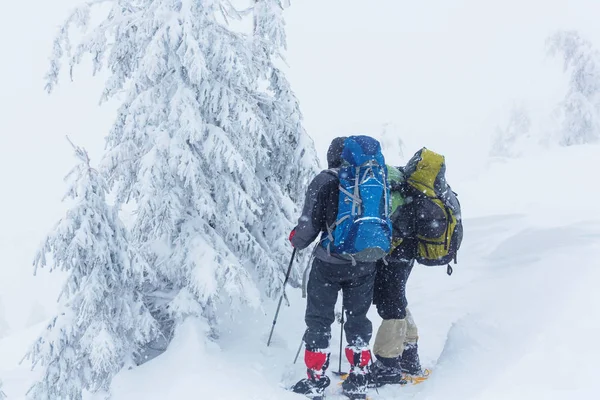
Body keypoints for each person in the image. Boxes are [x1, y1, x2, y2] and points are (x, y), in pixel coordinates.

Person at [289, 136, 391, 400]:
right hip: (365, 263)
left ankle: (316, 380)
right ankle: (358, 377)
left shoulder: (324, 180)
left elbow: (308, 226)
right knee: (358, 320)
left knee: (319, 319)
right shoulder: (374, 179)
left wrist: (297, 240)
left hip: (329, 264)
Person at [369, 148, 462, 386]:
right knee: (395, 299)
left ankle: (387, 364)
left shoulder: (397, 184)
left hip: (396, 254)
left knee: (391, 305)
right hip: (406, 254)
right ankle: (409, 356)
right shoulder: (414, 188)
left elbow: (396, 226)